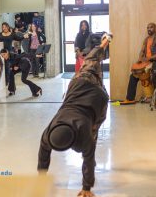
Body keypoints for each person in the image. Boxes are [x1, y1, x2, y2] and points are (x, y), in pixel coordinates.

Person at [37, 33, 111, 197]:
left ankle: (106, 40)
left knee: (92, 60)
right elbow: (43, 155)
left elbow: (88, 158)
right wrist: (40, 180)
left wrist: (86, 188)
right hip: (76, 93)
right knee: (92, 60)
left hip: (95, 95)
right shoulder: (49, 134)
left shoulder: (84, 132)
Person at [122, 23, 156, 104]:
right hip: (147, 62)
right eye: (148, 27)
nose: (149, 29)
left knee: (155, 76)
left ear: (155, 28)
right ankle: (130, 99)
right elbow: (142, 51)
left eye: (151, 27)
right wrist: (140, 59)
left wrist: (150, 58)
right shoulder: (146, 40)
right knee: (133, 75)